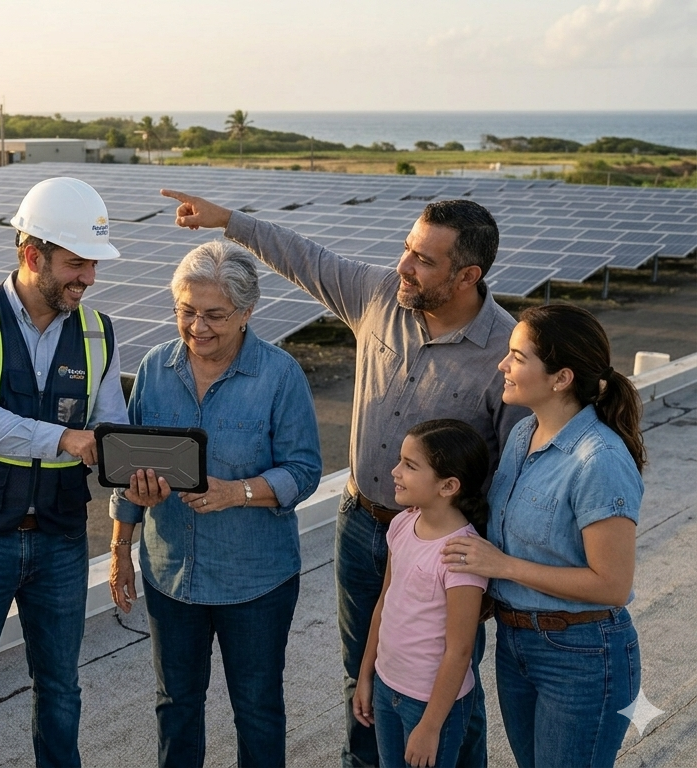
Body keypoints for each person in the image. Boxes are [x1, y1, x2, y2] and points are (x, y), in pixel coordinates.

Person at [162, 188, 528, 768]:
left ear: (467, 276)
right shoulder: (380, 296)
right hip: (362, 526)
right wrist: (228, 220)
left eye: (424, 260)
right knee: (363, 678)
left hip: (444, 551)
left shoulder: (503, 353)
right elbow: (304, 256)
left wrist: (490, 568)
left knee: (450, 684)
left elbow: (513, 475)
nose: (403, 265)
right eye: (407, 249)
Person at [0, 177, 128, 767]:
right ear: (31, 255)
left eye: (93, 265)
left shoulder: (98, 331)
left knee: (62, 692)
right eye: (76, 263)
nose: (88, 278)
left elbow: (110, 426)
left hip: (61, 541)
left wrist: (137, 473)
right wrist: (64, 437)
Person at [109, 241, 322, 767]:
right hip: (170, 575)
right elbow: (131, 458)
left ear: (247, 314)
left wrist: (238, 492)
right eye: (186, 312)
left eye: (214, 315)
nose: (198, 327)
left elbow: (304, 470)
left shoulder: (279, 375)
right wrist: (120, 547)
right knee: (176, 705)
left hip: (255, 581)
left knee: (256, 709)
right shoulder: (157, 368)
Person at [442, 304, 645, 768]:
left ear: (560, 378)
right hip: (517, 646)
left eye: (517, 356)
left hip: (582, 656)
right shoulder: (522, 436)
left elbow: (611, 585)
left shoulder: (599, 462)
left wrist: (502, 566)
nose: (502, 365)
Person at [354, 420, 490, 768]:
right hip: (386, 688)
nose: (395, 471)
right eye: (401, 460)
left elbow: (460, 651)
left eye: (410, 466)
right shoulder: (401, 524)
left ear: (448, 486)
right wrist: (366, 675)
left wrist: (430, 726)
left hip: (431, 705)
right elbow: (384, 604)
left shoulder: (461, 552)